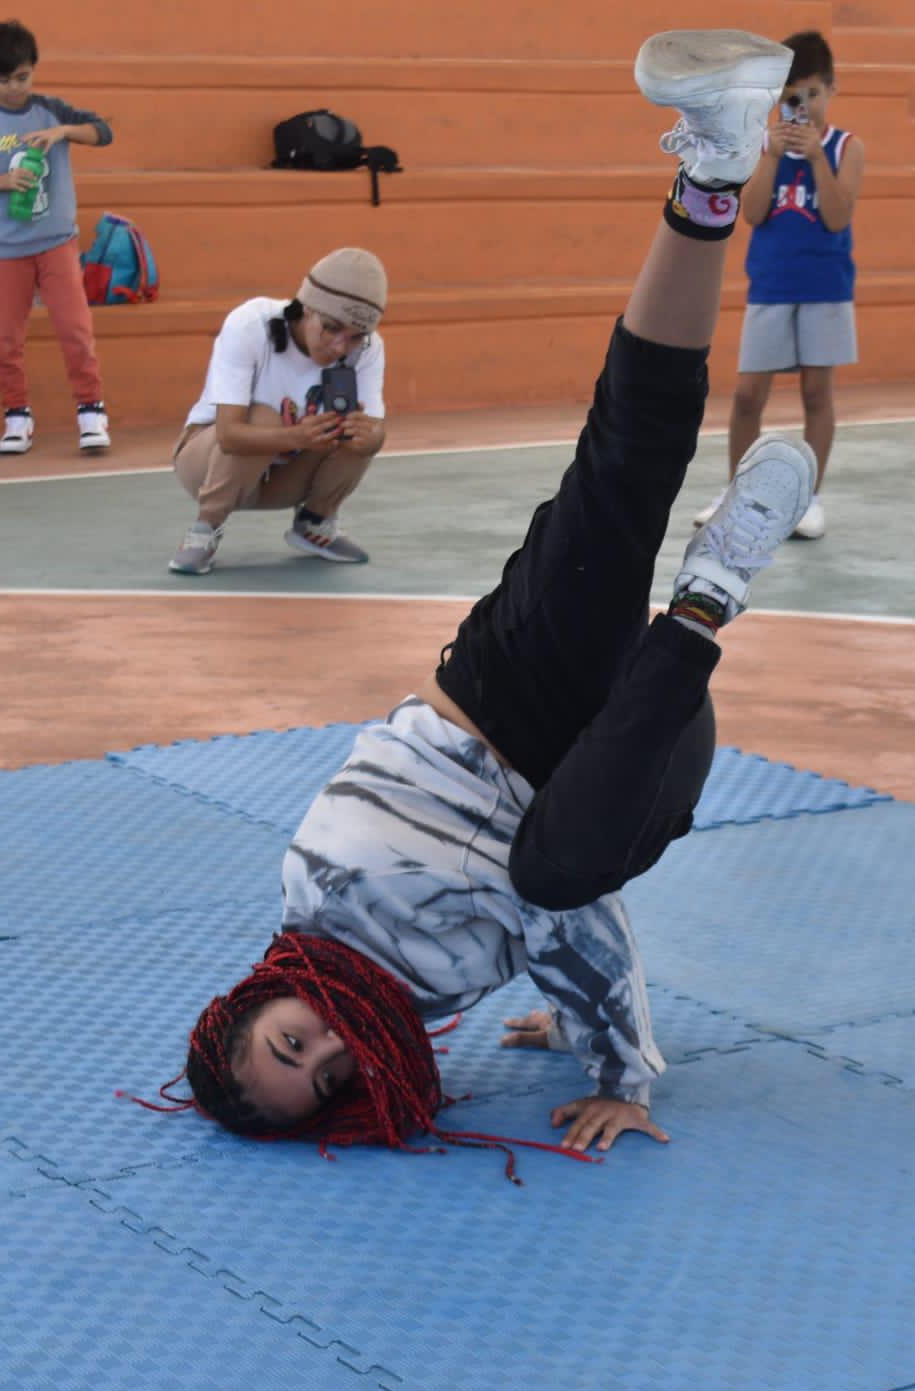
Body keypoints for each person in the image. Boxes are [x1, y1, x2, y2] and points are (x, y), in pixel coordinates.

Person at [132, 30, 814, 1176]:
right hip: (635, 752)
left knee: (626, 455)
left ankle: (709, 164)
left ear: (254, 998)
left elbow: (517, 889)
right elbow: (563, 905)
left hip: (512, 684)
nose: (335, 1044)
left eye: (292, 1041)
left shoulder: (315, 881)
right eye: (331, 1078)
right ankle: (707, 590)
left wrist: (602, 1040)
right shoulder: (438, 980)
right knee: (554, 876)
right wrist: (606, 1053)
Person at [694, 30, 864, 540]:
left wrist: (816, 159)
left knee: (816, 392)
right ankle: (737, 493)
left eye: (814, 93)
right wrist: (769, 157)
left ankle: (806, 498)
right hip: (770, 286)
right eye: (795, 97)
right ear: (780, 100)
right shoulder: (764, 148)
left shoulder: (846, 148)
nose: (805, 106)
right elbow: (751, 213)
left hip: (825, 288)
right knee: (748, 397)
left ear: (831, 90)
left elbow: (837, 218)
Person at [168, 248, 388, 574]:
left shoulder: (369, 350)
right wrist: (295, 435)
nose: (341, 347)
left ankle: (316, 521)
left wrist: (369, 438)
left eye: (356, 337)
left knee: (359, 429)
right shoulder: (251, 325)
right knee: (263, 418)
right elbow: (229, 435)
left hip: (286, 477)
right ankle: (204, 530)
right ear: (307, 309)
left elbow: (374, 429)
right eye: (331, 328)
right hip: (208, 468)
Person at [0, 20, 113, 456]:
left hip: (56, 241)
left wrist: (62, 132)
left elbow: (103, 132)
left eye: (22, 77)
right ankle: (17, 416)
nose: (13, 89)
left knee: (74, 328)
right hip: (5, 250)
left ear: (33, 70)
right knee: (6, 337)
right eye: (3, 80)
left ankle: (91, 411)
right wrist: (4, 181)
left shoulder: (51, 110)